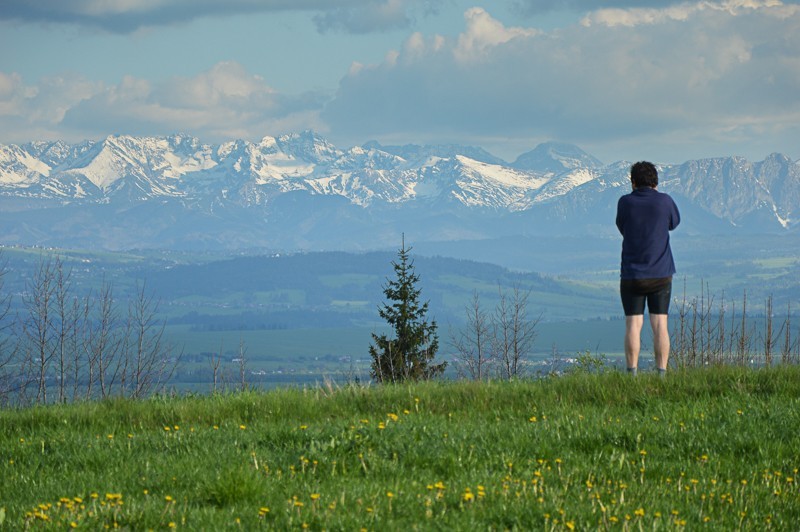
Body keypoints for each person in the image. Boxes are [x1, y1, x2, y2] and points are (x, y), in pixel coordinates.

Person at [616, 161, 680, 376]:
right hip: (661, 273)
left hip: (632, 274)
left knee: (633, 324)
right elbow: (674, 223)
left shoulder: (625, 203)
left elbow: (621, 226)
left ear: (633, 182)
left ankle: (631, 373)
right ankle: (661, 373)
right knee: (660, 324)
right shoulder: (665, 202)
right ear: (655, 182)